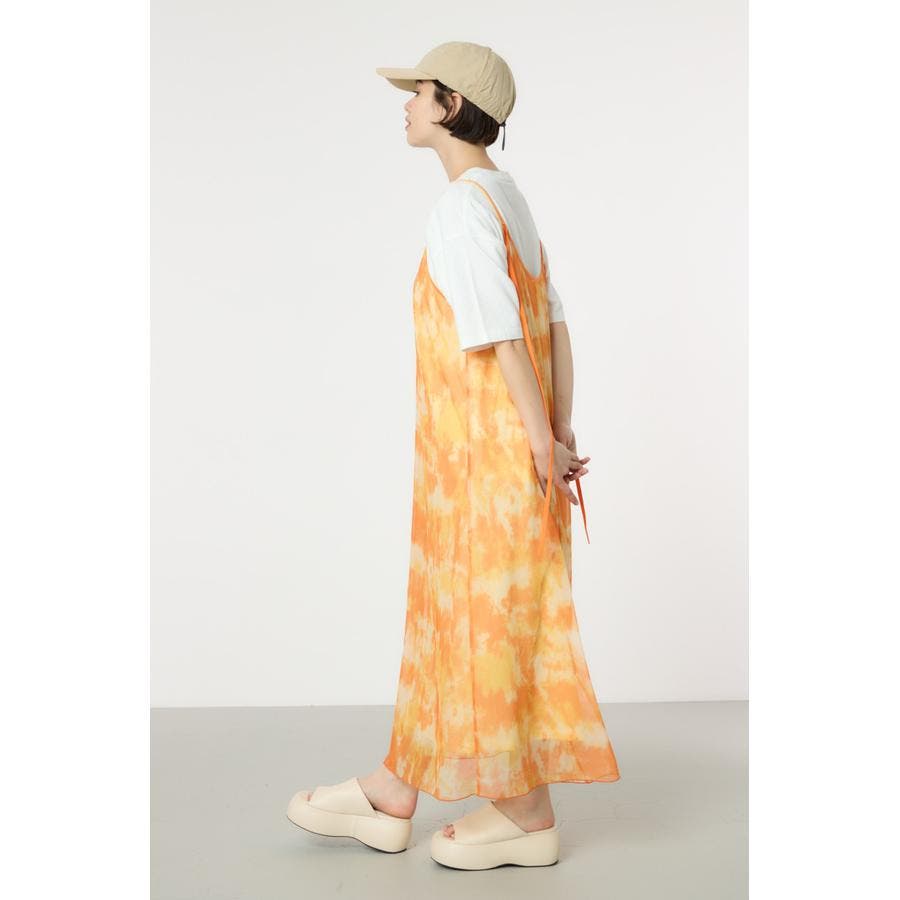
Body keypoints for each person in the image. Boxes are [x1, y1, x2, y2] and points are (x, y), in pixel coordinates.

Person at [287, 41, 620, 870]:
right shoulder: (508, 199)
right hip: (486, 460)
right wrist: (559, 429)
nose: (405, 104)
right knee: (451, 618)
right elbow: (556, 323)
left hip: (482, 463)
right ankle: (393, 789)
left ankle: (526, 814)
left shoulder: (460, 208)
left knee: (487, 628)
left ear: (451, 107)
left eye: (419, 91)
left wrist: (541, 441)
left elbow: (506, 334)